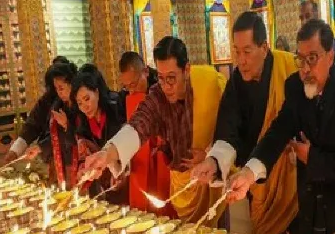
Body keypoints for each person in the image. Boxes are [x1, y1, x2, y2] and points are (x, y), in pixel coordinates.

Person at [225, 19, 335, 234]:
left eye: (312, 58)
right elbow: (277, 132)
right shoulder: (295, 87)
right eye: (300, 59)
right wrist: (249, 173)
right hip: (310, 214)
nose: (305, 68)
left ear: (330, 55)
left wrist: (311, 157)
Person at [80, 37, 227, 221]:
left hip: (212, 180)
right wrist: (106, 154)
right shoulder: (157, 95)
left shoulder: (209, 83)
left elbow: (229, 127)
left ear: (187, 69)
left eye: (172, 79)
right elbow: (138, 124)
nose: (166, 87)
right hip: (182, 186)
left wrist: (210, 154)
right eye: (161, 78)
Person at [191, 12, 299, 234]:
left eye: (247, 52)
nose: (241, 60)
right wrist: (213, 161)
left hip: (293, 181)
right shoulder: (236, 83)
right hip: (255, 181)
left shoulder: (289, 67)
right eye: (236, 52)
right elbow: (229, 130)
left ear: (264, 47)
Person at [118, 51, 170, 214]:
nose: (131, 91)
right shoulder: (125, 97)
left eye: (133, 85)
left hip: (163, 158)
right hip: (141, 158)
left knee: (165, 203)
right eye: (126, 87)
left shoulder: (164, 90)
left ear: (146, 72)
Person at [72, 64, 127, 204]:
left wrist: (120, 171)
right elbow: (84, 158)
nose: (85, 107)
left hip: (131, 180)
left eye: (87, 99)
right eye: (79, 103)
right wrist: (83, 171)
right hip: (107, 188)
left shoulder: (117, 110)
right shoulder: (83, 127)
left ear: (96, 92)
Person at [5, 56, 71, 164]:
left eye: (61, 87)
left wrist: (41, 147)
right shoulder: (48, 98)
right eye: (54, 87)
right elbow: (32, 124)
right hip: (51, 156)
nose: (58, 92)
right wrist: (16, 150)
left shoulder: (77, 102)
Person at [38, 61, 79, 187]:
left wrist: (67, 125)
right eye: (56, 89)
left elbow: (84, 136)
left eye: (61, 88)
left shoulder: (81, 106)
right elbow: (55, 136)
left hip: (81, 163)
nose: (59, 92)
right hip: (64, 161)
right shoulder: (59, 106)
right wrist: (40, 147)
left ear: (72, 85)